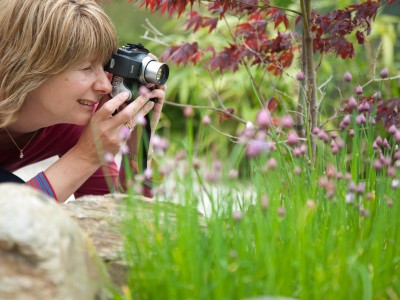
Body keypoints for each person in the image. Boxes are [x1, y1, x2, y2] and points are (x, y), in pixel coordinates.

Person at [0, 0, 165, 202]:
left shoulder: (72, 121)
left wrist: (138, 143)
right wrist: (85, 156)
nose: (105, 86)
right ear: (27, 66)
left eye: (104, 66)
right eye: (86, 67)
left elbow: (117, 219)